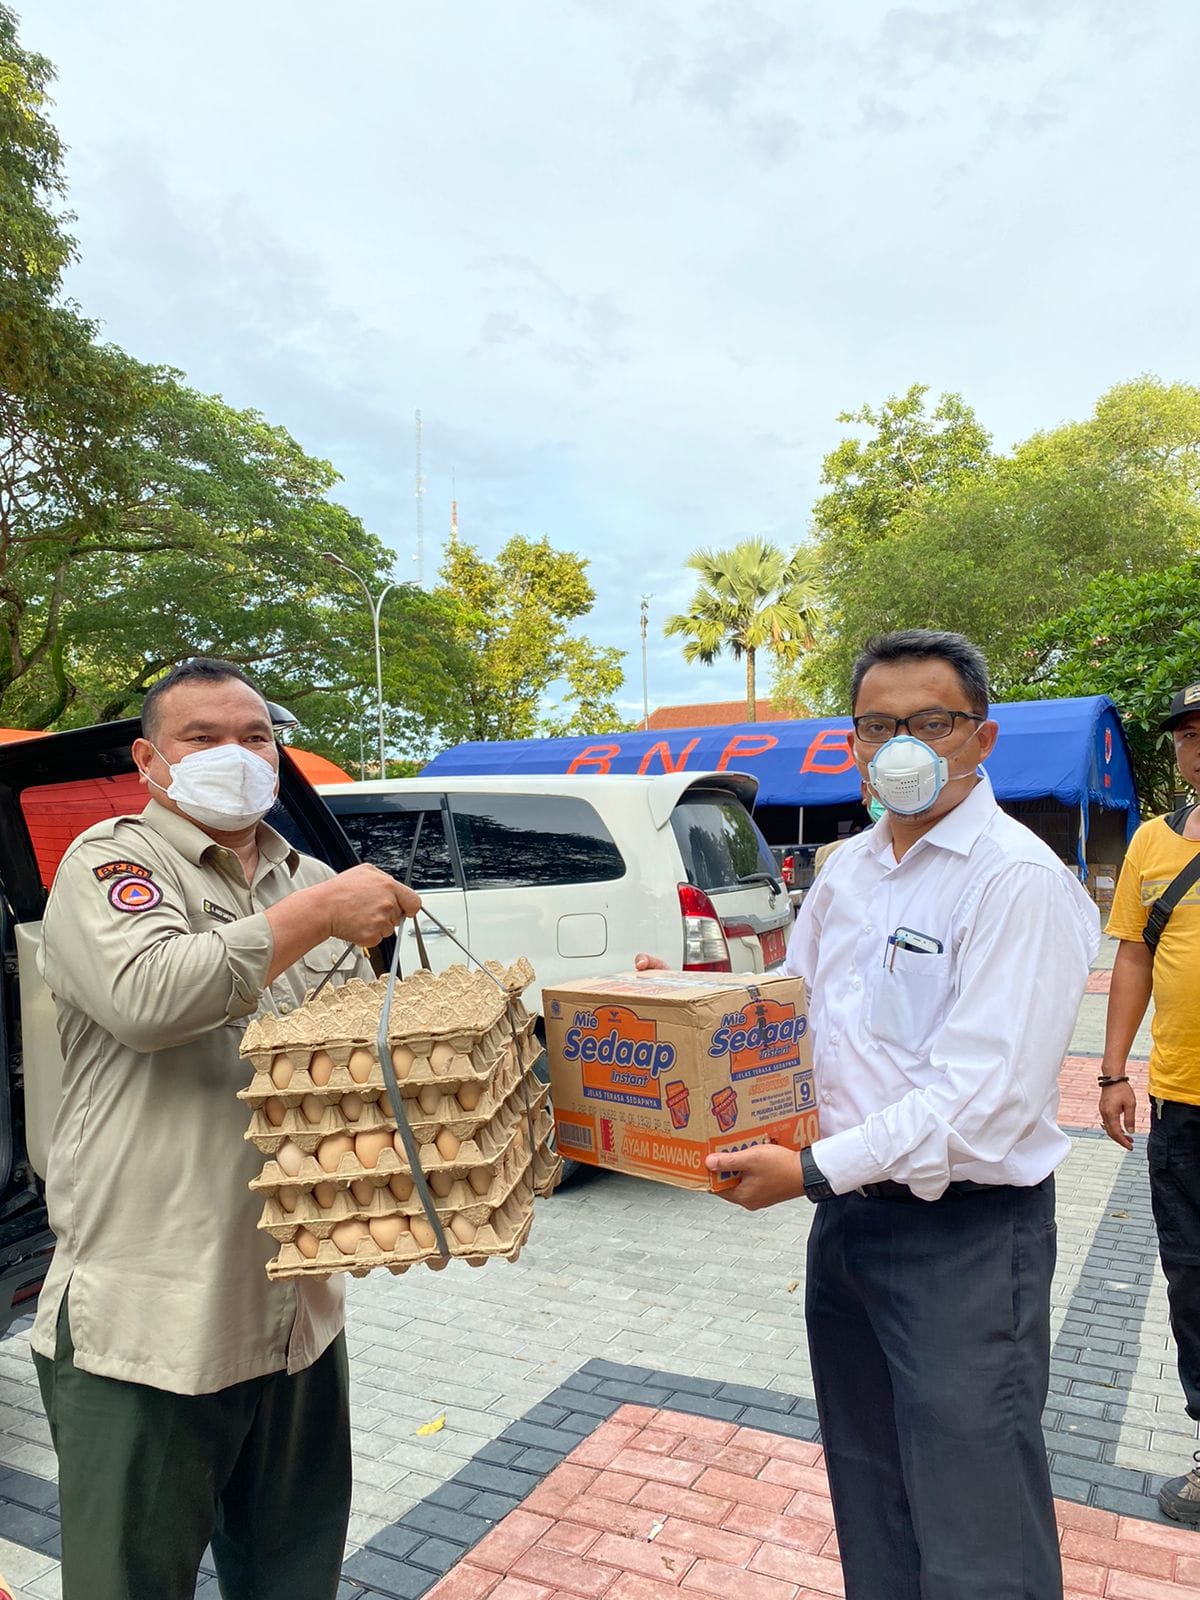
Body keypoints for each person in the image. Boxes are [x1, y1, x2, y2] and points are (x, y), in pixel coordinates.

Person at [638, 628, 1099, 1600]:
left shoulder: (1014, 880)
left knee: (979, 1530)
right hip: (850, 1224)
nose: (904, 743)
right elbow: (796, 1010)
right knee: (873, 1489)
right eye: (880, 724)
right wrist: (692, 1008)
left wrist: (806, 1170)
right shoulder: (846, 871)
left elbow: (985, 1101)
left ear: (982, 736)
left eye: (932, 721)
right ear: (853, 739)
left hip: (966, 1241)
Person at [30, 659, 421, 1600]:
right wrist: (319, 915)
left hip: (296, 1316)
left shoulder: (311, 871)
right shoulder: (111, 862)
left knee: (292, 1577)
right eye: (202, 739)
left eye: (255, 738)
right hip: (154, 1319)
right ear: (148, 760)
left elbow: (361, 1051)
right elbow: (150, 998)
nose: (236, 756)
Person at [1098, 681, 1200, 1522]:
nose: (1198, 746)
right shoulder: (1152, 845)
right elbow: (1132, 957)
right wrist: (1111, 1072)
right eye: (1188, 735)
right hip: (1182, 1102)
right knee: (1194, 1276)